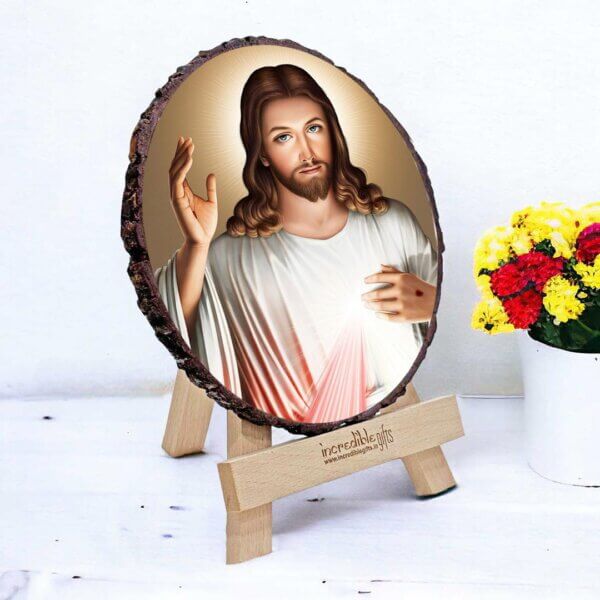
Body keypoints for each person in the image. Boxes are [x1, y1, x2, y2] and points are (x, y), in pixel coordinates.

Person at [155, 64, 438, 424]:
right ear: (262, 153)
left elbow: (444, 300)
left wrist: (430, 302)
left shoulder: (391, 222)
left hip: (394, 417)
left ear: (333, 132)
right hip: (303, 430)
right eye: (283, 137)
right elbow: (182, 327)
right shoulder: (233, 255)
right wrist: (196, 245)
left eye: (314, 129)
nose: (306, 152)